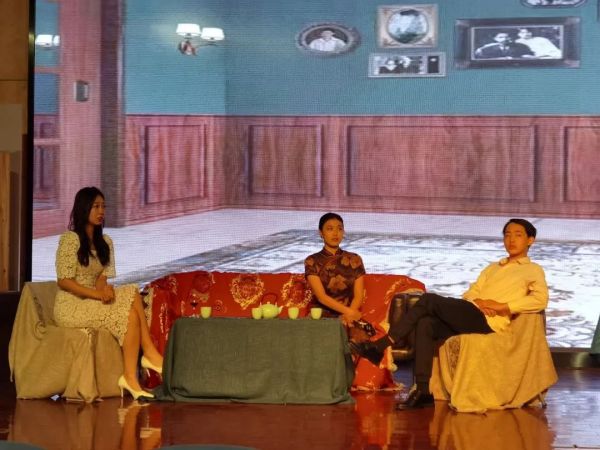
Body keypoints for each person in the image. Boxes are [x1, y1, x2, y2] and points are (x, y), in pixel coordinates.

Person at [351, 218, 549, 409]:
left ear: (530, 240)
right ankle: (423, 391)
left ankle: (383, 344)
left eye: (518, 235)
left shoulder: (533, 270)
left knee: (428, 300)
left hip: (490, 323)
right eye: (507, 235)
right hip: (474, 312)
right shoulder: (493, 268)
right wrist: (479, 302)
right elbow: (471, 292)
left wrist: (502, 306)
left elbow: (540, 300)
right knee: (426, 323)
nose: (511, 240)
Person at [54, 186, 163, 400]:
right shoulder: (70, 239)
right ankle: (148, 354)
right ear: (83, 208)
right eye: (96, 206)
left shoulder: (106, 243)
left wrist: (105, 291)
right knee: (129, 310)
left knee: (131, 296)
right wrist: (97, 295)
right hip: (70, 305)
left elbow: (101, 280)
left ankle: (130, 376)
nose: (101, 211)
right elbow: (64, 281)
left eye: (103, 206)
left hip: (92, 299)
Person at [305, 212, 364, 324]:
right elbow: (321, 297)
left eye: (339, 229)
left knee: (360, 334)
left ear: (343, 232)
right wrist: (349, 312)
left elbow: (358, 296)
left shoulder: (355, 259)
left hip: (348, 316)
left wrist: (348, 316)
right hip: (320, 316)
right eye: (330, 229)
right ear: (321, 233)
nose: (335, 233)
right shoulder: (312, 261)